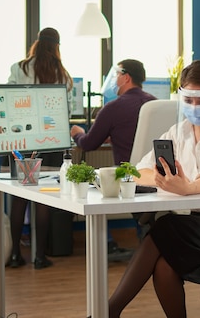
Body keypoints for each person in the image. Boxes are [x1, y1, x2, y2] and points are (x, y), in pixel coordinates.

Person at [108, 60, 200, 317]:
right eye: (188, 100)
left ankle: (109, 311)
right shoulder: (178, 132)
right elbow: (140, 170)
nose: (194, 107)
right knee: (165, 266)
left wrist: (187, 188)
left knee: (164, 226)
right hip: (199, 223)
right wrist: (160, 177)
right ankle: (109, 312)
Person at [71, 59, 157, 258]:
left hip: (128, 178)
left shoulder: (112, 108)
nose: (114, 79)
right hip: (154, 177)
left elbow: (88, 144)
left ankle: (107, 243)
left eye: (117, 75)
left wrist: (77, 132)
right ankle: (147, 240)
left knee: (89, 187)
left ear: (126, 77)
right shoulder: (155, 103)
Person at [6, 27, 73, 269]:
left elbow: (9, 99)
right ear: (56, 46)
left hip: (21, 140)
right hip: (50, 140)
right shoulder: (63, 75)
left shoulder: (20, 68)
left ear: (37, 43)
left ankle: (15, 255)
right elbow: (64, 113)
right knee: (42, 197)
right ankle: (39, 256)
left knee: (18, 198)